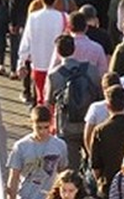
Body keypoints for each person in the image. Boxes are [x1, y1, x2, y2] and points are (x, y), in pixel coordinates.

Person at [46, 34, 103, 171]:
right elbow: (100, 95)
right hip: (89, 123)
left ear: (58, 52)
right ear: (74, 48)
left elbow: (50, 102)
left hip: (66, 126)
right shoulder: (92, 70)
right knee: (93, 161)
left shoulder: (54, 75)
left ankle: (74, 188)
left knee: (71, 167)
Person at [7, 105, 69, 199]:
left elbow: (63, 174)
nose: (43, 131)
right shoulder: (21, 146)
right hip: (26, 195)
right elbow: (14, 177)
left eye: (46, 127)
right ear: (32, 124)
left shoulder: (60, 145)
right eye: (39, 128)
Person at [18, 0, 69, 104]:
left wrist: (21, 61)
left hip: (38, 63)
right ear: (56, 1)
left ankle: (42, 118)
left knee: (41, 97)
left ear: (41, 0)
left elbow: (26, 41)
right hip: (58, 65)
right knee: (56, 99)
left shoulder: (33, 17)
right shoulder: (64, 17)